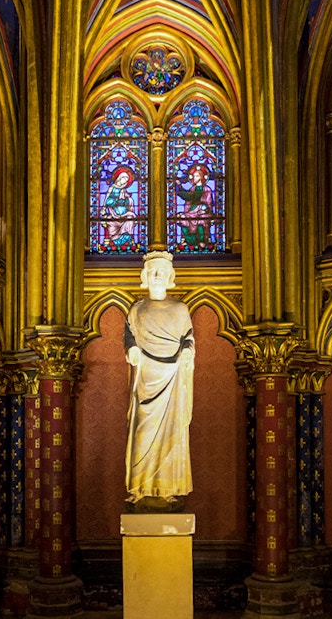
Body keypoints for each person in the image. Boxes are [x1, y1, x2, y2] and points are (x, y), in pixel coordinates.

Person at [123, 251, 194, 512]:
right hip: (146, 380)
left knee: (173, 433)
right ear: (143, 277)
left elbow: (188, 337)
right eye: (152, 271)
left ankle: (168, 491)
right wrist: (131, 349)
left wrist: (187, 351)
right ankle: (141, 489)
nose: (157, 275)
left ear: (170, 277)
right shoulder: (137, 309)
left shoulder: (179, 309)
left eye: (162, 272)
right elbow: (129, 335)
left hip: (172, 378)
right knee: (142, 435)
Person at [176, 163, 214, 249]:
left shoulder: (207, 189)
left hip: (202, 211)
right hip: (191, 211)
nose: (194, 178)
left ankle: (202, 240)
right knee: (182, 217)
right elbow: (188, 197)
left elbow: (209, 203)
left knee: (201, 220)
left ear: (201, 177)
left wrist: (204, 209)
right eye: (193, 176)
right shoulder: (193, 189)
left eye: (196, 176)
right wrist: (179, 186)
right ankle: (188, 240)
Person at [102, 166, 136, 249]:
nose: (125, 181)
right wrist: (116, 200)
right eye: (124, 178)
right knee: (110, 221)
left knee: (130, 217)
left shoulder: (123, 190)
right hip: (114, 214)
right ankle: (114, 241)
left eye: (127, 180)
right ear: (119, 178)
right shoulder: (112, 188)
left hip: (124, 214)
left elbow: (128, 201)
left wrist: (126, 200)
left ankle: (127, 239)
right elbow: (107, 201)